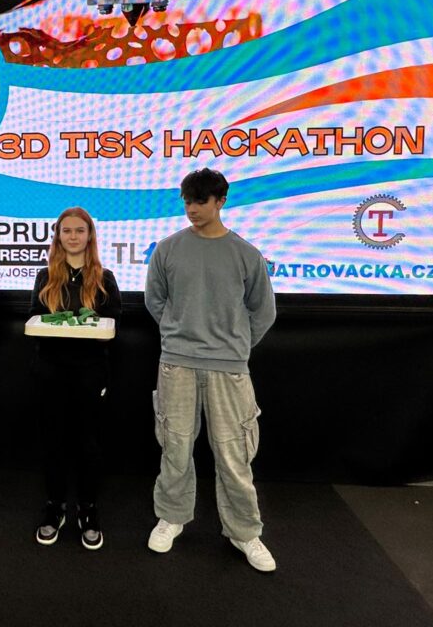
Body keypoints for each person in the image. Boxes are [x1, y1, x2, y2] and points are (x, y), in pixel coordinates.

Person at [144, 168, 277, 572]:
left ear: (221, 201)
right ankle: (171, 517)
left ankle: (244, 532)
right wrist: (178, 335)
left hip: (229, 368)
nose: (192, 209)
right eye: (187, 201)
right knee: (175, 447)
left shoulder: (245, 254)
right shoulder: (168, 249)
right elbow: (155, 301)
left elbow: (263, 311)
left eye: (200, 201)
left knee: (235, 454)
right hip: (177, 364)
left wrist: (234, 347)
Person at [29, 207, 121, 550]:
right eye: (66, 231)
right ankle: (55, 507)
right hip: (50, 371)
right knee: (52, 442)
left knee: (88, 444)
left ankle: (87, 508)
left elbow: (114, 321)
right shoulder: (45, 277)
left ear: (89, 235)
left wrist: (88, 327)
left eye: (79, 230)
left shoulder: (105, 277)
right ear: (58, 236)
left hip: (90, 372)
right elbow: (34, 318)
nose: (72, 236)